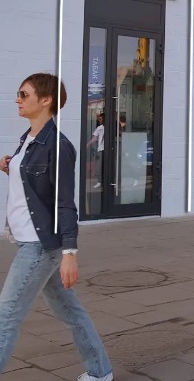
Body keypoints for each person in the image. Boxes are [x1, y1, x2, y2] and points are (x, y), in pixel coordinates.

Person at [0, 74, 113, 380]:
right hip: (29, 241)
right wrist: (10, 166)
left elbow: (65, 203)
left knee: (5, 316)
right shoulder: (29, 139)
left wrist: (69, 253)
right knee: (70, 311)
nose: (17, 99)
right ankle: (100, 371)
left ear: (46, 100)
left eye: (24, 94)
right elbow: (35, 185)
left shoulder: (59, 146)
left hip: (39, 246)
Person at [86, 113, 105, 190]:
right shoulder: (99, 128)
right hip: (101, 149)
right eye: (99, 119)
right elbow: (94, 138)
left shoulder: (111, 127)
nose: (99, 120)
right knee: (99, 166)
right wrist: (87, 144)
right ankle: (100, 181)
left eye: (101, 119)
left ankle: (111, 181)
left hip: (109, 149)